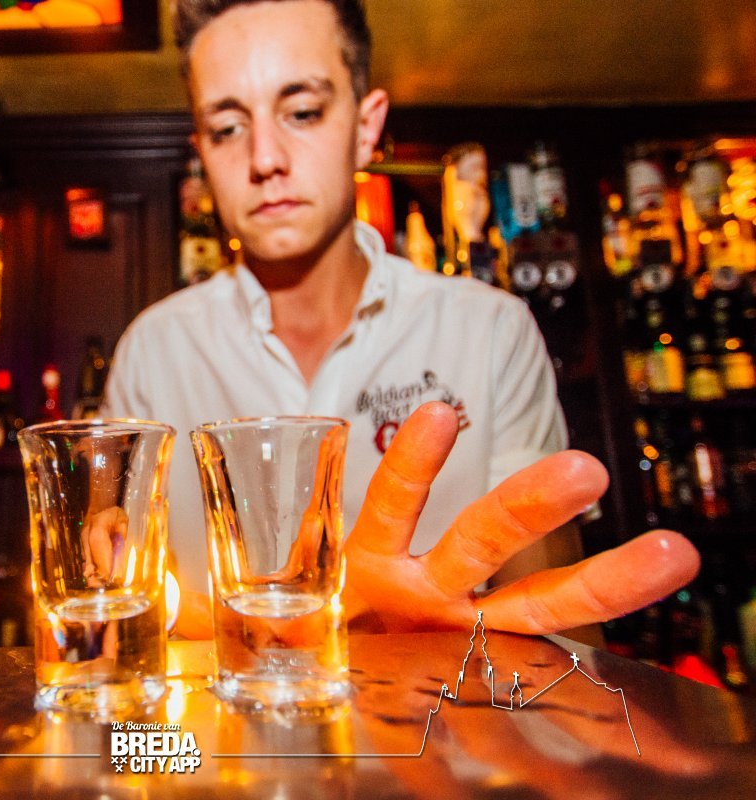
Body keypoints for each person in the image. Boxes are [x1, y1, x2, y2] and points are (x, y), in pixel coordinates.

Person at [101, 0, 699, 639]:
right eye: (227, 128)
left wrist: (435, 639)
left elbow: (556, 631)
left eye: (302, 112)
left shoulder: (489, 331)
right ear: (202, 151)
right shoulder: (153, 351)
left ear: (366, 128)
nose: (265, 158)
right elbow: (117, 628)